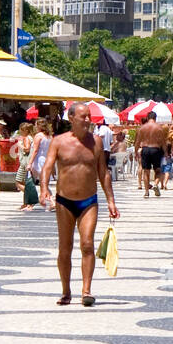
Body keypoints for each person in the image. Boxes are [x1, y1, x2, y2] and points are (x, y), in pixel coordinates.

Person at [40, 102, 119, 306]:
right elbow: (47, 167)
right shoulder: (58, 142)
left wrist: (110, 199)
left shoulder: (97, 142)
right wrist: (44, 189)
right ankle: (66, 291)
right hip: (64, 201)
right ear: (71, 118)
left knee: (87, 244)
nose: (87, 120)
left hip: (89, 201)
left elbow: (103, 172)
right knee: (64, 248)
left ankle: (86, 290)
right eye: (83, 116)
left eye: (89, 116)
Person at [134, 112, 169, 198]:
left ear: (147, 117)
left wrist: (135, 152)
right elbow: (163, 142)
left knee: (146, 171)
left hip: (145, 149)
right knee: (158, 170)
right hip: (155, 149)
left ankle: (146, 191)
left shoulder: (142, 128)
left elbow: (137, 142)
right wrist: (166, 153)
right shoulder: (159, 128)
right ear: (155, 118)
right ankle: (156, 184)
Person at [28, 120, 54, 210]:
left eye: (35, 125)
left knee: (42, 183)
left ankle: (50, 200)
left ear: (39, 126)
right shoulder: (50, 137)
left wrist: (30, 163)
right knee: (43, 183)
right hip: (47, 160)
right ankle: (49, 200)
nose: (35, 127)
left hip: (38, 160)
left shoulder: (38, 136)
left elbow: (35, 150)